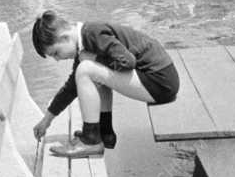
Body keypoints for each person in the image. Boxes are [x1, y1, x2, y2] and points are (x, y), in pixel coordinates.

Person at [30, 11, 179, 158]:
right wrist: (46, 120)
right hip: (158, 79)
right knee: (90, 71)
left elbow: (127, 61)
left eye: (56, 53)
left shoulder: (93, 34)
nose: (57, 59)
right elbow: (71, 88)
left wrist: (95, 59)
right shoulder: (83, 43)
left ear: (65, 37)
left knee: (86, 69)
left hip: (160, 81)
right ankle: (104, 132)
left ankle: (91, 140)